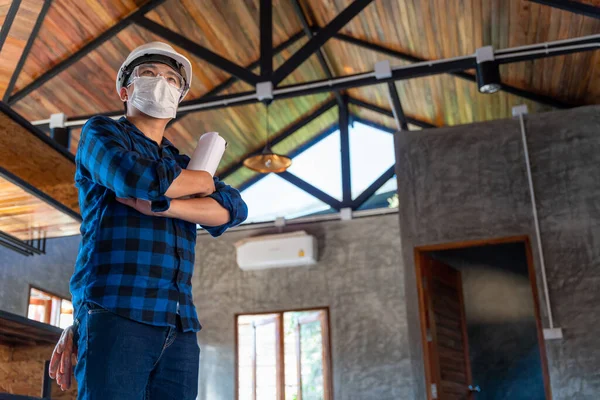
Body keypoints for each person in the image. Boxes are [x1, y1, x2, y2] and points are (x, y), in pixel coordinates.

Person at [47, 42, 248, 400]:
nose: (162, 83)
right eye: (149, 74)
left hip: (180, 322)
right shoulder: (102, 133)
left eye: (172, 79)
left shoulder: (183, 162)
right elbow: (132, 178)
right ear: (125, 90)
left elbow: (233, 208)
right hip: (118, 310)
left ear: (179, 98)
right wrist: (200, 184)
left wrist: (163, 207)